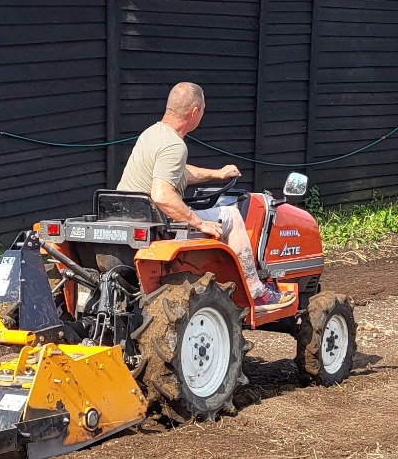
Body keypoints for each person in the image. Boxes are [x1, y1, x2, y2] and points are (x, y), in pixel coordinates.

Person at [117, 82, 294, 310]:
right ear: (194, 112)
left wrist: (217, 174)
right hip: (157, 222)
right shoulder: (174, 144)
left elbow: (175, 172)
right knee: (232, 216)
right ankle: (257, 292)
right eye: (203, 110)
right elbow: (162, 194)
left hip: (131, 216)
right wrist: (201, 223)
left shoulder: (152, 133)